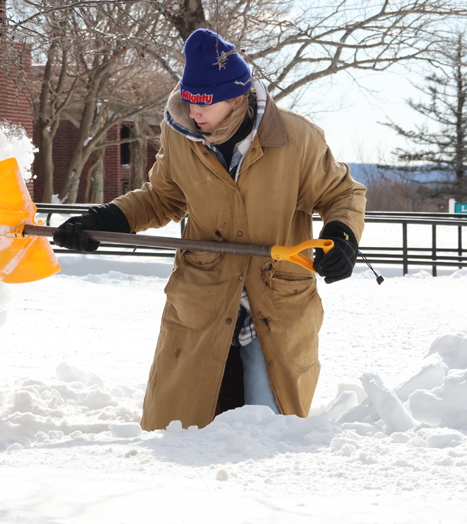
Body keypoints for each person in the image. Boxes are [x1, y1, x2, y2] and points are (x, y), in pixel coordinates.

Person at [53, 29, 366, 431]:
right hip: (204, 297)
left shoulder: (295, 138)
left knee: (270, 432)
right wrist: (104, 221)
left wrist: (342, 235)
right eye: (189, 100)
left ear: (237, 97)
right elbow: (162, 197)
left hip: (275, 301)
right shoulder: (181, 136)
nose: (195, 112)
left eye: (205, 103)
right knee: (179, 431)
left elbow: (342, 192)